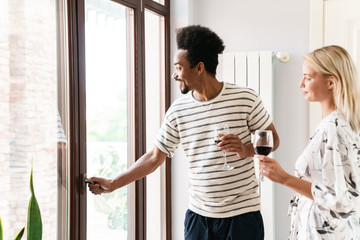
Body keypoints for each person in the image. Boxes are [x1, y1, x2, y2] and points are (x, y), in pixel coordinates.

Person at [88, 25, 279, 240]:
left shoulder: (246, 98)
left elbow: (273, 139)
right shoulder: (178, 110)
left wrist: (246, 149)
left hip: (243, 216)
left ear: (199, 68)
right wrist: (114, 183)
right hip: (199, 217)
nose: (174, 75)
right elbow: (153, 158)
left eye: (179, 68)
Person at [256, 45, 360, 239]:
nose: (301, 83)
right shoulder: (336, 123)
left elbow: (341, 199)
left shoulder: (334, 127)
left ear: (331, 82)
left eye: (308, 77)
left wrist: (284, 178)